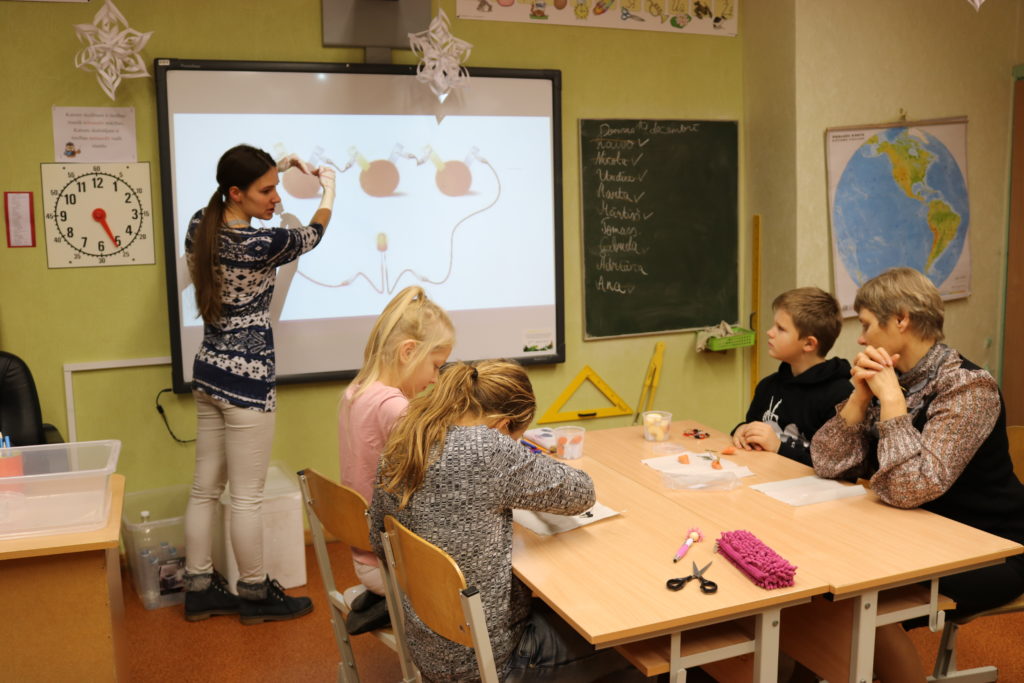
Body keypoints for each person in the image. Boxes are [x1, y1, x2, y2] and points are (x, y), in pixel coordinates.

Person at [368, 360, 644, 683]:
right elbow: (582, 493)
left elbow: (378, 540)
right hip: (490, 660)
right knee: (633, 645)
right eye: (517, 438)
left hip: (427, 645)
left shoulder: (406, 438)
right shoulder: (488, 449)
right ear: (502, 426)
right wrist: (523, 459)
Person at [811, 267, 1024, 682]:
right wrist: (859, 397)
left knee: (861, 600)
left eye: (867, 325)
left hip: (991, 546)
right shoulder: (891, 378)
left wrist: (892, 401)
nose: (861, 339)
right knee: (818, 580)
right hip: (916, 535)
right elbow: (827, 462)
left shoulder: (968, 388)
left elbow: (912, 488)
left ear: (901, 320)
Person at [182, 144, 336, 624]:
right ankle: (253, 592)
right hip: (247, 383)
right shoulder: (260, 245)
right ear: (236, 192)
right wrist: (329, 189)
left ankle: (199, 588)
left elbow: (256, 208)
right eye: (266, 190)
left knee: (204, 490)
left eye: (275, 188)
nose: (275, 198)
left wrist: (282, 167)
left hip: (208, 372)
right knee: (246, 497)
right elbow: (314, 232)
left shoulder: (200, 225)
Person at [337, 286, 453, 605]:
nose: (436, 379)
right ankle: (399, 608)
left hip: (364, 553)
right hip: (389, 564)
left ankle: (383, 604)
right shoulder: (393, 407)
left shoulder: (357, 391)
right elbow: (438, 471)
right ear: (408, 352)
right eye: (436, 365)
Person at [731, 287, 851, 465]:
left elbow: (836, 465)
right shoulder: (768, 386)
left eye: (781, 328)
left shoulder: (840, 396)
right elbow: (752, 426)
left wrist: (779, 447)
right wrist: (742, 430)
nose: (770, 332)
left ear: (809, 343)